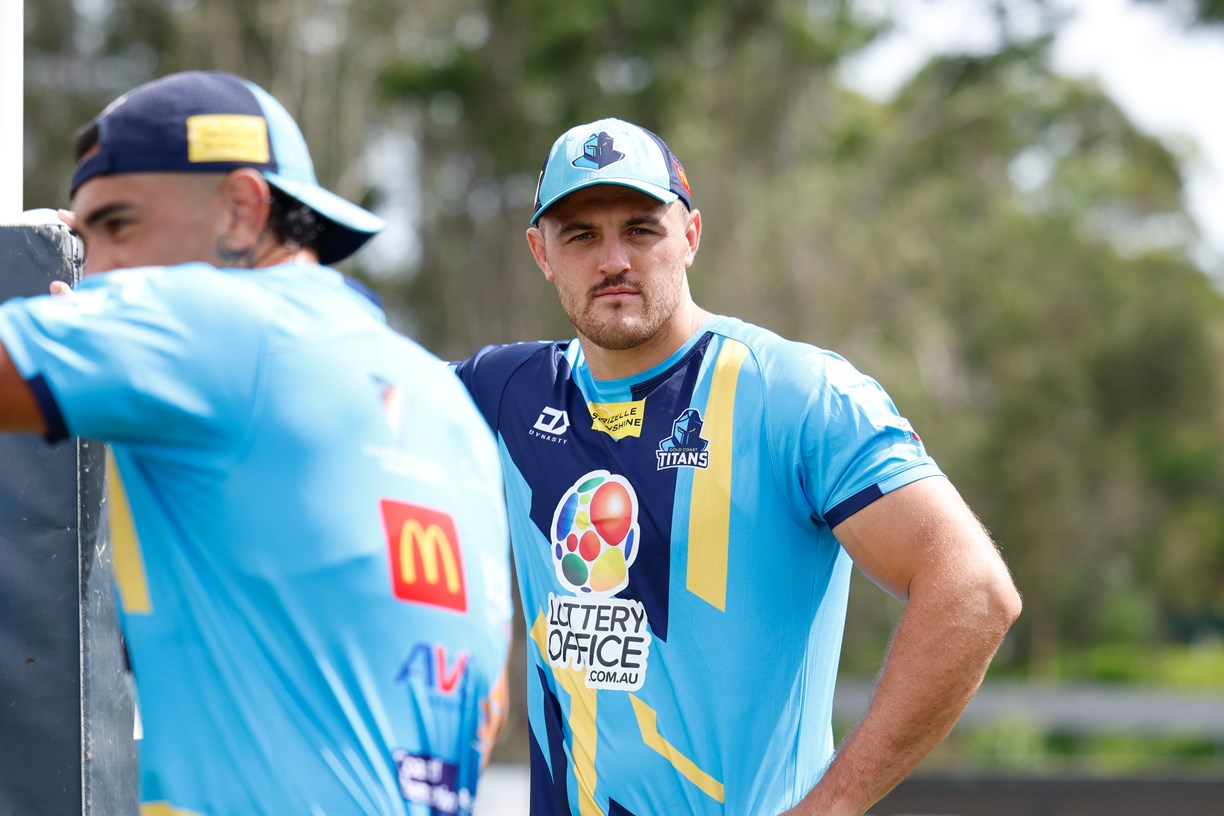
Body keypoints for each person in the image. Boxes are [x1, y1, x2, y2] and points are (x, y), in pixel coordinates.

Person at [453, 118, 1022, 816]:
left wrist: (833, 806)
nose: (613, 261)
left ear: (691, 236)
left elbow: (973, 592)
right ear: (541, 252)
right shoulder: (507, 392)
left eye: (641, 230)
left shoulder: (796, 393)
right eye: (581, 236)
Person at [0, 71, 513, 815]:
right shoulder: (443, 400)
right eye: (83, 240)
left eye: (117, 226)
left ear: (243, 210)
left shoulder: (211, 320)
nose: (95, 269)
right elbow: (487, 703)